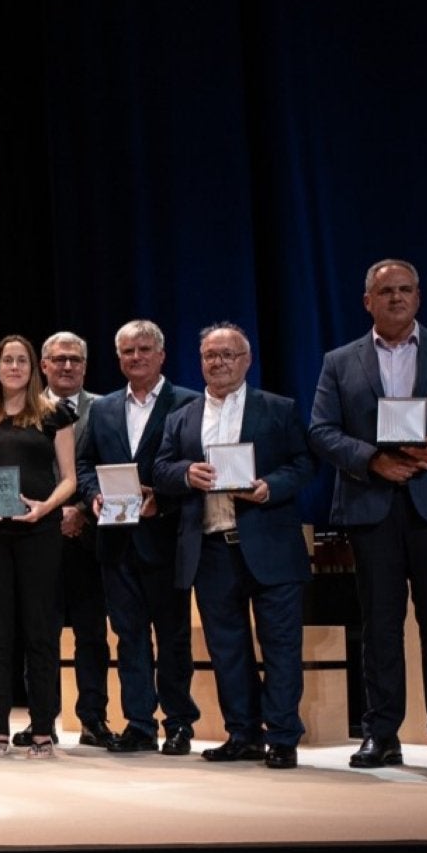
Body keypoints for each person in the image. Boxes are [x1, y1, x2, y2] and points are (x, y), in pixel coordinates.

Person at [310, 259, 427, 773]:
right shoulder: (339, 360)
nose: (396, 298)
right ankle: (381, 734)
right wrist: (373, 459)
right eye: (384, 291)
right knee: (379, 625)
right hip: (371, 504)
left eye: (405, 290)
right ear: (367, 301)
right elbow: (322, 431)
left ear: (418, 297)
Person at [155, 323, 315, 769]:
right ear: (200, 360)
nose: (219, 362)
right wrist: (187, 473)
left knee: (280, 646)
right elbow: (162, 468)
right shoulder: (181, 417)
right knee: (227, 648)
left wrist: (269, 487)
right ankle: (242, 733)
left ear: (247, 360)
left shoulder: (277, 409)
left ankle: (282, 736)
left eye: (229, 355)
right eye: (211, 355)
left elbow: (304, 465)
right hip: (210, 548)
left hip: (271, 543)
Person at [73, 320, 200, 756]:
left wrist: (161, 500)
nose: (136, 357)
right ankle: (140, 723)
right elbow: (86, 463)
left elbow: (196, 466)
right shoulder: (104, 408)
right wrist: (91, 496)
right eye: (128, 351)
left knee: (173, 637)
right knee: (128, 638)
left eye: (145, 349)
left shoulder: (188, 402)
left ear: (162, 355)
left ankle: (180, 722)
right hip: (115, 540)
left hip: (166, 538)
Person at [0, 334, 77, 758]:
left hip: (38, 534)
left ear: (33, 367)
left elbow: (69, 479)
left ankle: (43, 730)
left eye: (21, 360)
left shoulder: (54, 415)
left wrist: (45, 508)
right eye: (7, 360)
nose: (14, 366)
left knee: (39, 632)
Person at [38, 331, 113, 748]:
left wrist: (81, 511)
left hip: (89, 536)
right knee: (40, 635)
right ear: (44, 365)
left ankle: (93, 719)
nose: (67, 366)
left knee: (92, 636)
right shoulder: (24, 408)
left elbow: (112, 466)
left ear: (85, 365)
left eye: (75, 359)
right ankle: (42, 721)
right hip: (38, 537)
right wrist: (51, 512)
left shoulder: (108, 409)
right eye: (58, 359)